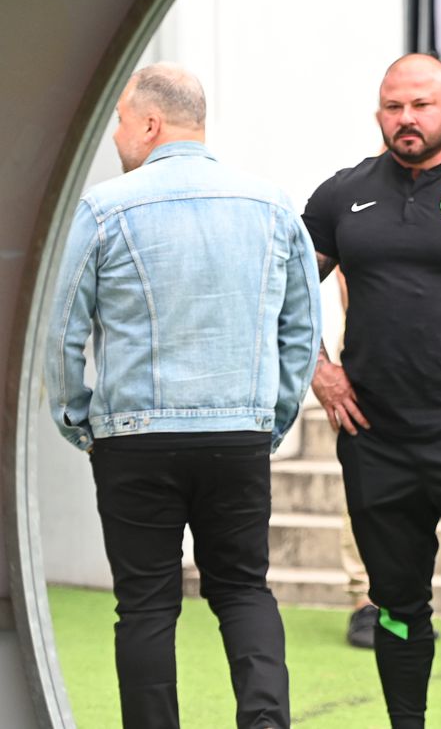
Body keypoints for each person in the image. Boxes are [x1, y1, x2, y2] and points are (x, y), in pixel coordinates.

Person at [44, 63, 321, 729]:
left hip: (132, 439)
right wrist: (272, 416)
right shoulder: (271, 203)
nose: (115, 135)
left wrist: (80, 419)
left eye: (118, 121)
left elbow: (62, 332)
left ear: (149, 122)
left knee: (144, 605)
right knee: (244, 592)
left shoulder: (105, 207)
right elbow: (303, 327)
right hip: (239, 436)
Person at [301, 53, 441, 728]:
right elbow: (284, 287)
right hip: (375, 440)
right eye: (393, 106)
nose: (407, 118)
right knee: (397, 606)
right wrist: (317, 366)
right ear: (379, 111)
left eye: (421, 105)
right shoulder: (341, 195)